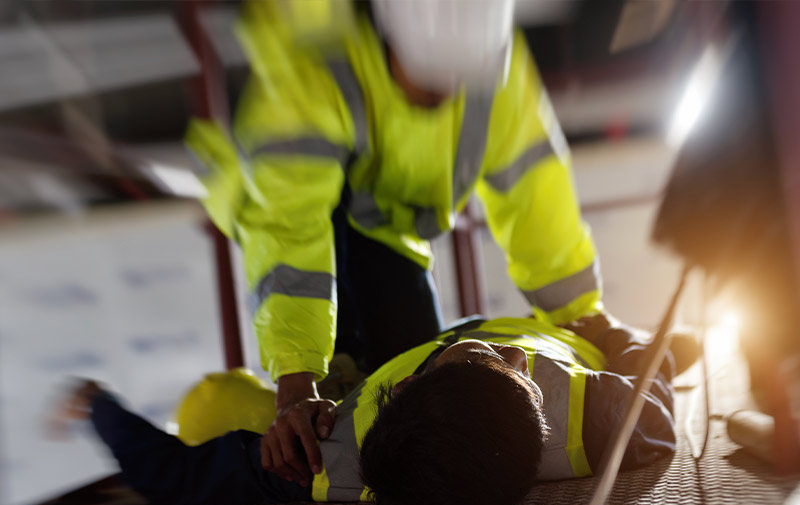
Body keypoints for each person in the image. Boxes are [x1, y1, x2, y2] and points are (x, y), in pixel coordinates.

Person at [184, 0, 697, 479]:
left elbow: (534, 189)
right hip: (295, 211)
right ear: (390, 41)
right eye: (428, 82)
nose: (446, 94)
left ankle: (353, 372)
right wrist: (296, 383)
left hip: (385, 221)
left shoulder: (494, 62)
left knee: (422, 383)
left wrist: (582, 316)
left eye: (459, 81)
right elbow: (288, 229)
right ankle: (332, 372)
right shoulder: (309, 71)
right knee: (361, 407)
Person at [60, 313, 676, 505]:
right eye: (506, 362)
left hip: (385, 372)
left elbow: (176, 479)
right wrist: (618, 341)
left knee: (211, 408)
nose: (511, 351)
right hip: (565, 333)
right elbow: (659, 405)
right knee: (650, 346)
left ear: (406, 384)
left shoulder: (327, 456)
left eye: (494, 357)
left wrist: (99, 408)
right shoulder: (598, 411)